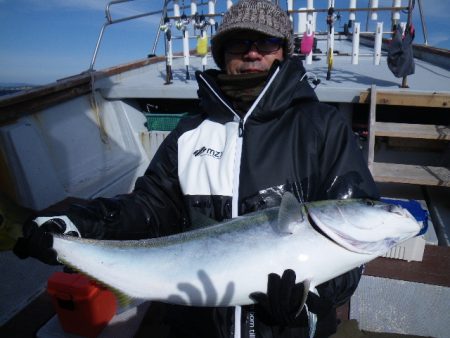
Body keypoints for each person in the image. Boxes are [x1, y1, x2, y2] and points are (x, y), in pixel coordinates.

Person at [14, 0, 379, 337]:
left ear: (283, 51)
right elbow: (149, 209)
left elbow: (352, 233)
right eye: (239, 43)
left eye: (266, 42)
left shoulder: (322, 126)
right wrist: (78, 224)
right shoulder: (190, 131)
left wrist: (310, 302)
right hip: (197, 324)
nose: (252, 52)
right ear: (222, 55)